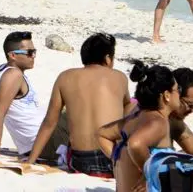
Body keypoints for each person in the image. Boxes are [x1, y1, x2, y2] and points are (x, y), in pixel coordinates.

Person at [26, 33, 131, 176]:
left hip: (81, 162)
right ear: (107, 58)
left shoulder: (65, 77)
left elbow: (49, 122)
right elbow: (128, 113)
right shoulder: (120, 77)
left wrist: (30, 160)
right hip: (112, 160)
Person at [0, 31, 66, 161]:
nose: (33, 56)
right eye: (30, 53)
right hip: (44, 143)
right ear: (13, 55)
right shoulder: (13, 76)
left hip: (44, 138)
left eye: (34, 52)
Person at [96, 62, 183, 192]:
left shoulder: (133, 120)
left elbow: (101, 134)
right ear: (167, 95)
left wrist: (118, 158)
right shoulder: (159, 122)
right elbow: (135, 144)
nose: (179, 94)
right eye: (178, 89)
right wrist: (148, 172)